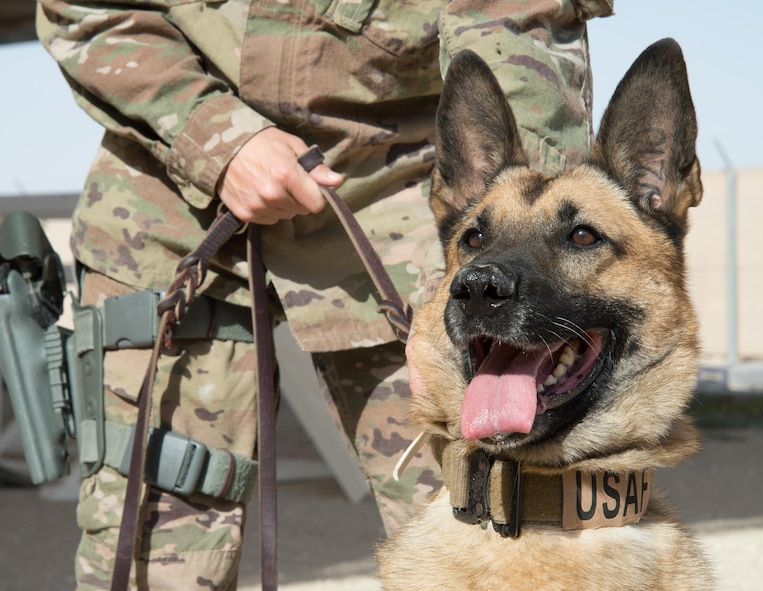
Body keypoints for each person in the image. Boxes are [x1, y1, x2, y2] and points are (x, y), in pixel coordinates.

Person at [35, 0, 615, 588]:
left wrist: (516, 246)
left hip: (400, 213)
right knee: (157, 562)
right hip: (170, 214)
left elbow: (513, 17)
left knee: (500, 539)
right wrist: (217, 137)